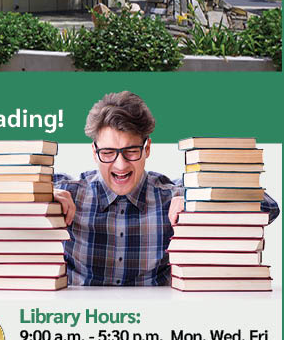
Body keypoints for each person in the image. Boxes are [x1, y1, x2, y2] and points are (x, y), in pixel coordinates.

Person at [51, 91, 279, 286]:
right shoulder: (69, 195)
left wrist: (199, 202)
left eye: (131, 151)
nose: (120, 165)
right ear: (94, 151)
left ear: (147, 147)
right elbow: (16, 192)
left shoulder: (173, 197)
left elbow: (269, 207)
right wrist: (40, 199)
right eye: (108, 153)